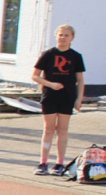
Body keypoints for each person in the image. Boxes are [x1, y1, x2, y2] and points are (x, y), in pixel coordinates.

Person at [33, 24, 86, 175]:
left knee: (62, 130)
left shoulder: (76, 56)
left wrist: (79, 99)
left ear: (72, 38)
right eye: (60, 35)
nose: (63, 38)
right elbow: (35, 76)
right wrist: (50, 84)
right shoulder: (48, 54)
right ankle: (43, 162)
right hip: (50, 95)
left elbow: (80, 80)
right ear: (56, 36)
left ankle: (59, 163)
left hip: (67, 96)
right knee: (48, 129)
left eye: (66, 35)